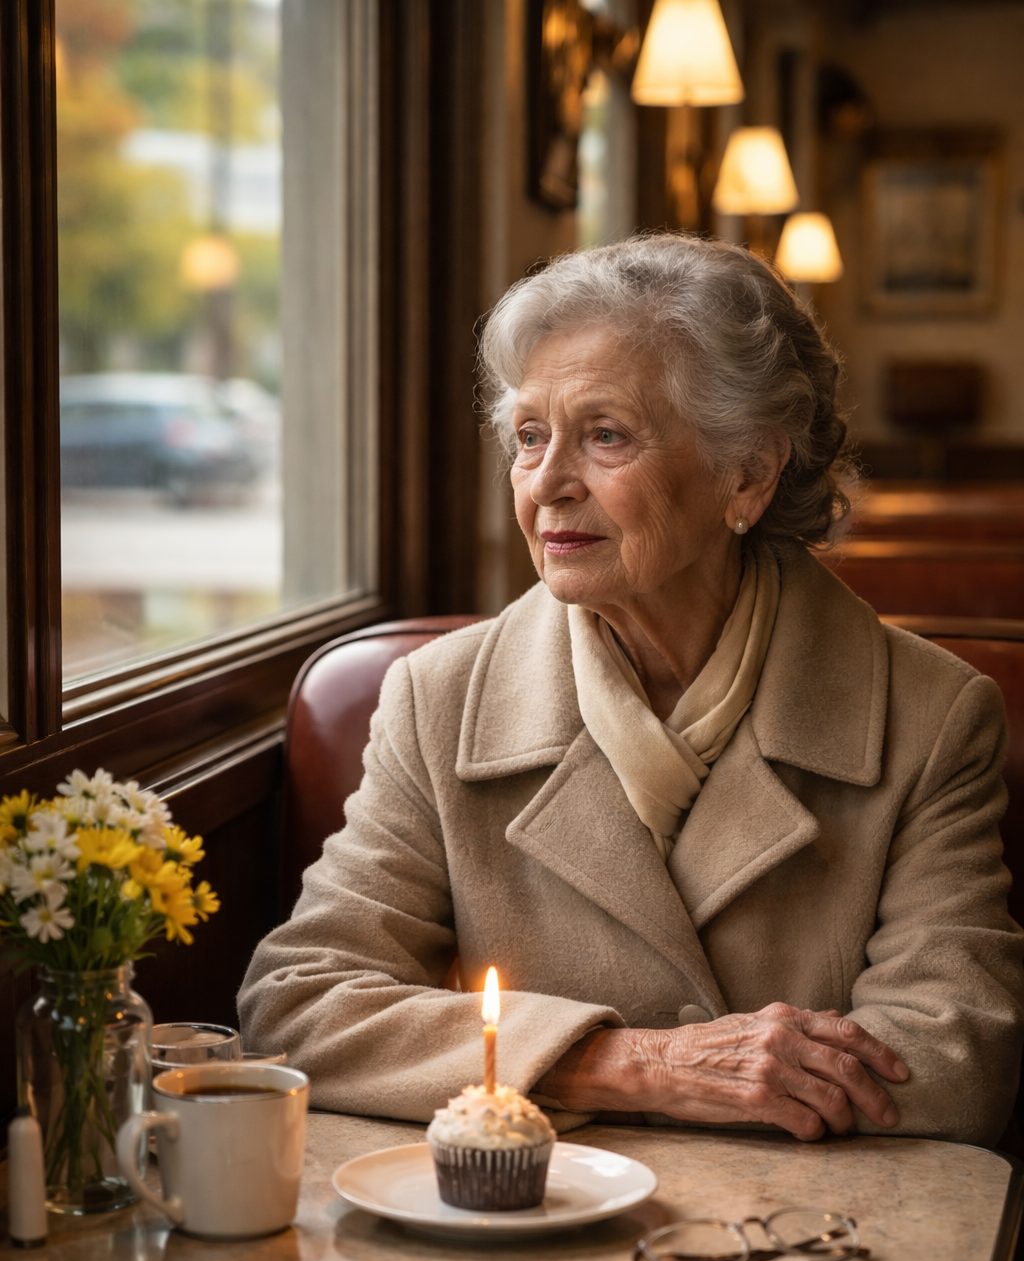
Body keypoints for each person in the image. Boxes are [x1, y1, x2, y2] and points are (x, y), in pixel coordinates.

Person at [239, 234, 1023, 1147]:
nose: (546, 485)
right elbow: (300, 1003)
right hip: (527, 1232)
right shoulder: (436, 700)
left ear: (749, 473)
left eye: (605, 435)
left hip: (806, 1244)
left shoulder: (931, 716)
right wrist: (637, 1067)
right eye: (530, 436)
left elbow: (956, 1060)